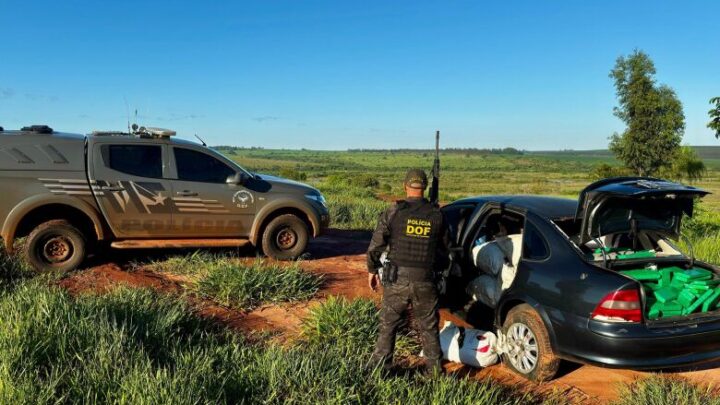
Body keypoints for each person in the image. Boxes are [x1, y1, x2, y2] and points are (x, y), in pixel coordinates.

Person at [366, 168, 451, 375]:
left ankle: (379, 370)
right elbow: (447, 250)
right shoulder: (437, 215)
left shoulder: (394, 211)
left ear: (405, 186)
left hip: (396, 280)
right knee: (428, 328)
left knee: (388, 325)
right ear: (425, 188)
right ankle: (435, 374)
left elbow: (376, 245)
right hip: (425, 281)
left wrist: (371, 270)